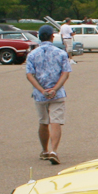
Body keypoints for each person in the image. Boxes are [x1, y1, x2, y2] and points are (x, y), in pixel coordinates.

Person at [25, 25, 72, 166]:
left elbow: (29, 75)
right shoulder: (60, 53)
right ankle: (54, 150)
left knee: (43, 121)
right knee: (55, 121)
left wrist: (41, 89)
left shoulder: (32, 54)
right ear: (52, 36)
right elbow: (65, 73)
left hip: (40, 95)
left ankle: (44, 150)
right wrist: (55, 88)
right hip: (57, 93)